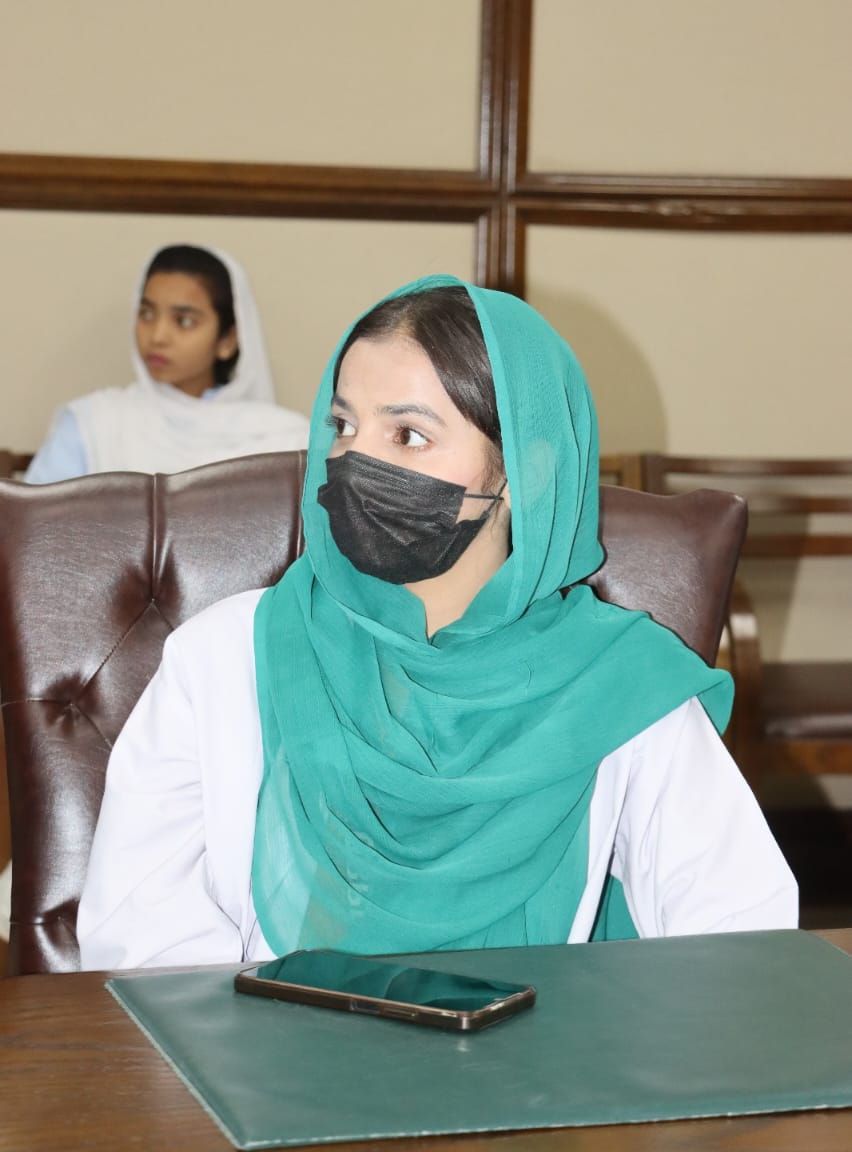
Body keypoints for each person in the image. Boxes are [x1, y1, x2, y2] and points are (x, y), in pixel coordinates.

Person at [77, 274, 797, 970]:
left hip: (547, 1050)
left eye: (408, 435)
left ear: (524, 469)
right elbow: (142, 942)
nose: (352, 461)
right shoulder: (225, 658)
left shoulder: (619, 685)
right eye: (343, 425)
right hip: (261, 1044)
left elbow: (737, 936)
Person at [25, 243, 309, 482]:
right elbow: (35, 526)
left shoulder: (286, 439)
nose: (158, 336)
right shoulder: (92, 423)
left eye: (184, 321)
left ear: (228, 340)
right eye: (147, 314)